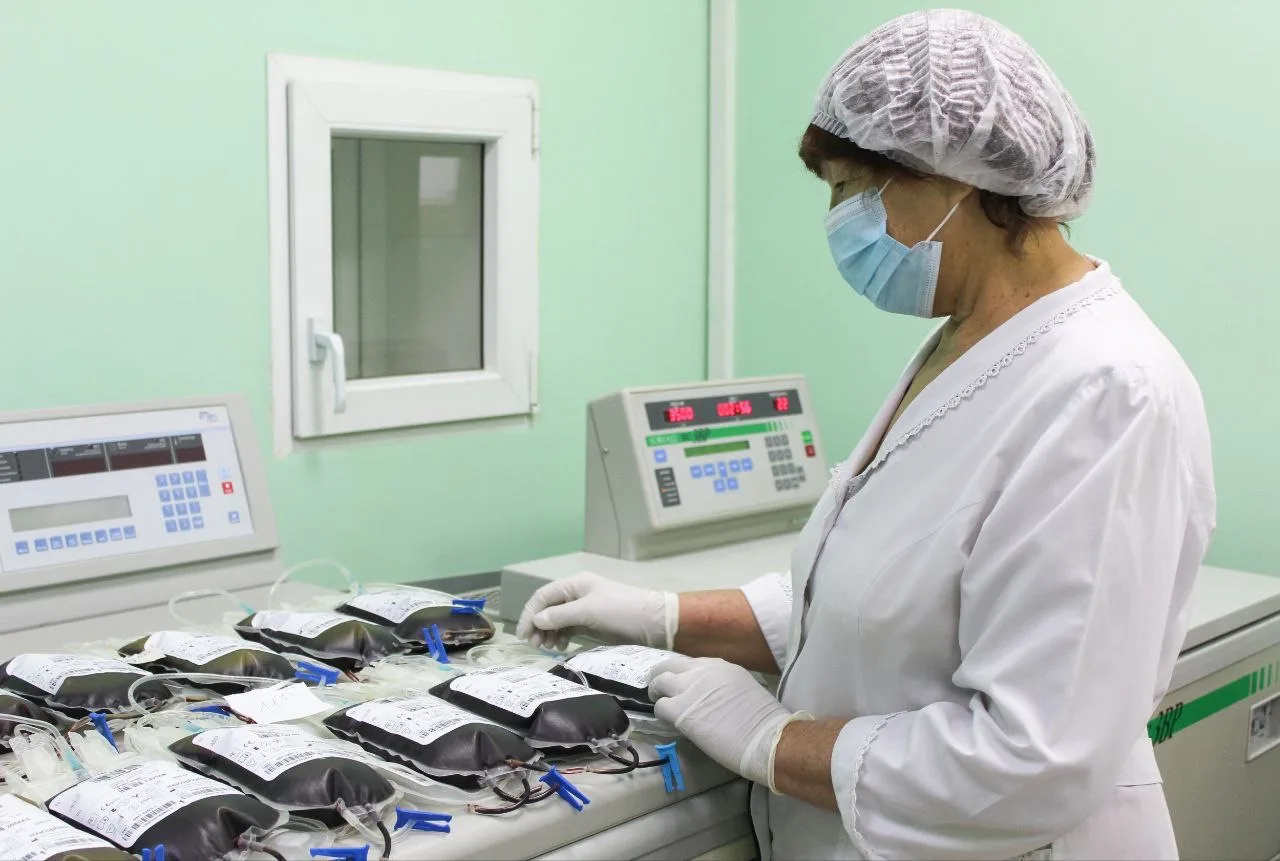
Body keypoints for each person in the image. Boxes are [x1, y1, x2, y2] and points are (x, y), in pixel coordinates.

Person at [518, 8, 1216, 860]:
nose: (839, 220)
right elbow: (867, 601)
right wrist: (660, 615)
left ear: (955, 176)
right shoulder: (974, 342)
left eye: (851, 188)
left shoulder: (1105, 393)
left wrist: (770, 739)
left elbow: (1029, 760)